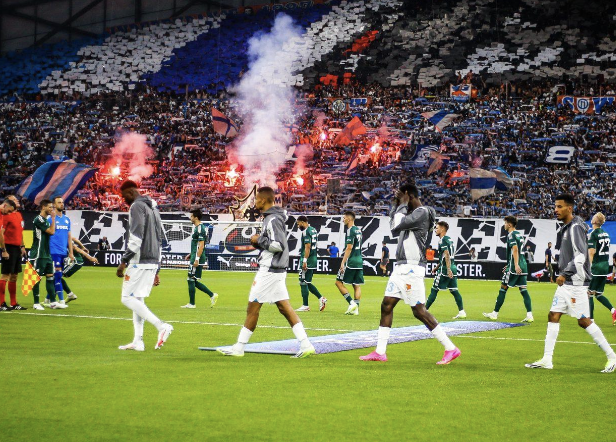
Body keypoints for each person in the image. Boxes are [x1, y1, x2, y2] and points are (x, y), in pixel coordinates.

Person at [360, 183, 460, 365]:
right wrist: (397, 205)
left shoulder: (422, 212)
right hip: (401, 268)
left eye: (401, 195)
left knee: (419, 311)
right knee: (386, 305)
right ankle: (380, 352)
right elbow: (393, 225)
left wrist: (401, 204)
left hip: (411, 268)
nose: (398, 199)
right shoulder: (412, 214)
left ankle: (450, 348)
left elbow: (396, 225)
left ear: (408, 194)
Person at [218, 187, 315, 358]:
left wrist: (259, 240)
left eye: (256, 199)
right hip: (275, 269)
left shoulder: (273, 219)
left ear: (263, 200)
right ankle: (306, 344)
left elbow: (278, 245)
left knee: (253, 307)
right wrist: (258, 243)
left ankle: (239, 347)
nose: (254, 202)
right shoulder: (272, 218)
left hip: (270, 270)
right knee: (284, 307)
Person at [526, 194, 616, 373]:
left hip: (575, 282)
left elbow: (581, 255)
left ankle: (612, 356)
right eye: (555, 206)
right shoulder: (569, 227)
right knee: (553, 315)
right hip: (566, 284)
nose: (555, 210)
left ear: (569, 208)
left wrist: (565, 273)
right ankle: (547, 359)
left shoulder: (575, 227)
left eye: (559, 207)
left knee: (584, 321)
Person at [116, 180, 173, 351]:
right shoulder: (153, 208)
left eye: (124, 195)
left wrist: (124, 261)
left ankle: (161, 326)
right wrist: (158, 267)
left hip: (139, 260)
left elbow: (136, 237)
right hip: (152, 259)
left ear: (132, 192)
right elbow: (160, 237)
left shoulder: (136, 207)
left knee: (126, 298)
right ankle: (138, 341)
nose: (123, 199)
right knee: (138, 299)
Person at [483, 216, 534, 323]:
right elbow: (519, 251)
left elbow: (515, 249)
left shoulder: (511, 235)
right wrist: (511, 263)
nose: (504, 225)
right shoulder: (519, 234)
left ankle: (494, 314)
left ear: (509, 225)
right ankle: (530, 315)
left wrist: (514, 265)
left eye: (505, 223)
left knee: (503, 288)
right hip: (523, 265)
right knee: (523, 290)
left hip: (516, 266)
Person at [426, 221, 466, 319]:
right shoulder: (449, 239)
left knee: (434, 289)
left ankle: (424, 310)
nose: (436, 229)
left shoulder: (442, 240)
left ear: (442, 229)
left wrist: (447, 269)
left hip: (446, 269)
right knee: (454, 291)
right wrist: (437, 267)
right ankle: (462, 312)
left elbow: (446, 254)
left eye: (437, 228)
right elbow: (445, 256)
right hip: (453, 266)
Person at [181, 209, 219, 309]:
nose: (190, 218)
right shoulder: (198, 228)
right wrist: (191, 254)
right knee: (193, 280)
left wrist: (196, 258)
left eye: (191, 216)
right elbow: (197, 245)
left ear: (196, 217)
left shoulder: (200, 229)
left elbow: (201, 245)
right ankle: (212, 295)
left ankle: (192, 304)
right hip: (195, 256)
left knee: (190, 279)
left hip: (197, 258)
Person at [43, 196, 74, 308]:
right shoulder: (50, 219)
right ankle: (61, 301)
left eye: (62, 202)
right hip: (53, 251)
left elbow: (69, 237)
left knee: (57, 276)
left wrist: (71, 252)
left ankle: (48, 299)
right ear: (54, 205)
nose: (62, 204)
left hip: (63, 252)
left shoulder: (67, 219)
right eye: (59, 202)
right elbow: (45, 235)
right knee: (58, 274)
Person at [29, 200, 60, 310]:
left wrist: (52, 219)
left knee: (50, 277)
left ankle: (53, 302)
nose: (52, 209)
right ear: (43, 207)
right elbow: (51, 232)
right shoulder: (39, 219)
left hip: (46, 254)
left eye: (52, 207)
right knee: (36, 278)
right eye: (50, 207)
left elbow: (52, 231)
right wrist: (53, 218)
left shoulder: (46, 221)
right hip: (38, 253)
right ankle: (36, 303)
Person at [587, 212, 616, 323]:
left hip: (597, 266)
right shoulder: (605, 233)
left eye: (593, 216)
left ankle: (591, 319)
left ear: (595, 221)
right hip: (605, 266)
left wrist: (590, 266)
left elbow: (591, 252)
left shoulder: (593, 234)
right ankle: (613, 310)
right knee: (598, 294)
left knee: (588, 293)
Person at [295, 215, 327, 312]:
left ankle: (305, 305)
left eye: (298, 224)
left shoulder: (306, 232)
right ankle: (321, 298)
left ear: (303, 222)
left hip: (307, 259)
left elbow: (307, 247)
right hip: (313, 258)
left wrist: (304, 261)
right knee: (307, 282)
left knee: (303, 281)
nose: (298, 226)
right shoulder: (313, 230)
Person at [335, 211, 363, 315]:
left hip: (351, 261)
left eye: (344, 218)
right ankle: (356, 309)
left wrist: (343, 262)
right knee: (356, 285)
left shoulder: (350, 230)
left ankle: (351, 303)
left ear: (349, 219)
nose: (343, 220)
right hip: (359, 260)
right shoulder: (358, 230)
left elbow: (349, 247)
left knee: (338, 282)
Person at [61, 236, 99, 301]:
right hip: (74, 260)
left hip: (76, 261)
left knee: (56, 277)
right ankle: (51, 299)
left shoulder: (63, 238)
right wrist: (83, 247)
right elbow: (75, 239)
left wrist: (90, 257)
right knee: (55, 277)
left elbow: (76, 248)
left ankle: (51, 300)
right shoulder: (64, 234)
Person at [0, 198, 20, 310]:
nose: (9, 213)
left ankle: (13, 303)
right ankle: (1, 303)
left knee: (14, 275)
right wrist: (4, 250)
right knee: (5, 274)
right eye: (8, 211)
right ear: (5, 205)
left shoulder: (4, 215)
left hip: (15, 248)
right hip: (8, 247)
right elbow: (1, 234)